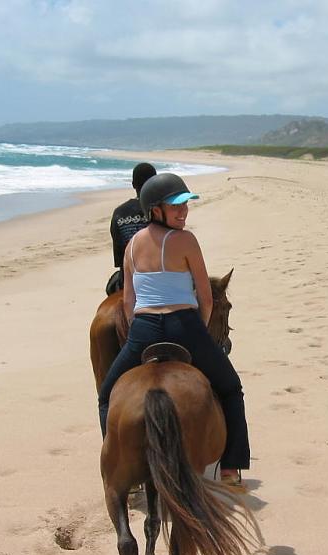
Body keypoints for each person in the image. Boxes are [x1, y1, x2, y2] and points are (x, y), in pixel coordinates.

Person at [97, 173, 250, 486]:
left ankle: (118, 462)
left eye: (185, 206)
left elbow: (129, 301)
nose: (183, 212)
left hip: (144, 329)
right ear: (156, 210)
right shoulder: (186, 240)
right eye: (176, 206)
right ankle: (232, 467)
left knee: (106, 396)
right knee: (231, 388)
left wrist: (138, 328)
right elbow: (206, 298)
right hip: (185, 326)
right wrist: (200, 331)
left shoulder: (131, 246)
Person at [106, 162, 157, 294]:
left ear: (133, 184)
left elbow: (119, 258)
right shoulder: (162, 209)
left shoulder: (119, 213)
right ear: (155, 183)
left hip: (128, 281)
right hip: (159, 278)